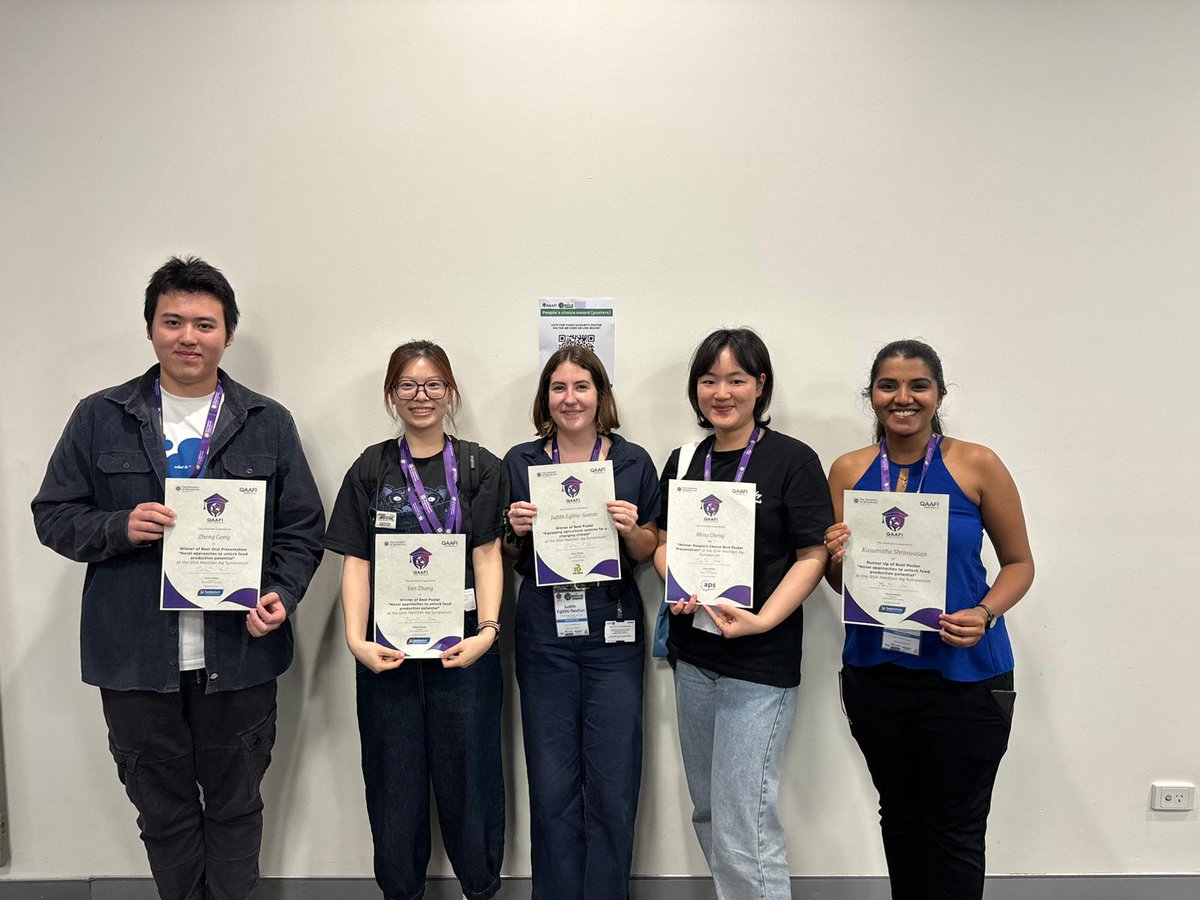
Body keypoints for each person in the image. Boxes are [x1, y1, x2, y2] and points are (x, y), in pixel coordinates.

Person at [31, 256, 326, 900]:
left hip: (240, 653)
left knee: (236, 808)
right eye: (172, 322)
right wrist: (119, 526)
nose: (188, 337)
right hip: (135, 659)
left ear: (227, 334)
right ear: (150, 329)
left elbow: (303, 528)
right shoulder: (99, 416)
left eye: (204, 324)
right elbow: (52, 515)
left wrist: (281, 593)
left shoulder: (267, 421)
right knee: (162, 814)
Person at [823, 339, 1034, 900]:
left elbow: (1019, 564)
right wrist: (836, 558)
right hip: (876, 674)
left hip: (965, 676)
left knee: (955, 828)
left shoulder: (977, 463)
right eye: (888, 385)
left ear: (939, 394)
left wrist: (985, 613)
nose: (903, 397)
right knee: (900, 817)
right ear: (871, 395)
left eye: (918, 385)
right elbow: (842, 584)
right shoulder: (847, 470)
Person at [652, 328, 832, 900]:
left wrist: (764, 619)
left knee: (743, 821)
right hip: (694, 657)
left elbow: (813, 554)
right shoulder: (685, 460)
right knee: (709, 810)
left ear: (760, 385)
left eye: (736, 379)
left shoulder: (793, 460)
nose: (721, 392)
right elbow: (663, 543)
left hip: (759, 662)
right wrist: (675, 582)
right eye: (709, 380)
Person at [323, 339, 506, 900]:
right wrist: (355, 640)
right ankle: (400, 892)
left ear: (450, 392)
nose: (420, 396)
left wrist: (488, 633)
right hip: (388, 656)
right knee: (393, 785)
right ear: (392, 394)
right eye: (407, 385)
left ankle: (480, 888)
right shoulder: (371, 467)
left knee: (472, 782)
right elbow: (356, 561)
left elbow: (488, 554)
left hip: (464, 653)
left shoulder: (480, 466)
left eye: (432, 385)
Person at [503, 346, 659, 900]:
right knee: (551, 779)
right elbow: (503, 548)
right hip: (543, 626)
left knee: (614, 777)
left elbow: (650, 548)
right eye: (559, 387)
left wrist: (632, 529)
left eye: (581, 386)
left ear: (601, 395)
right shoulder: (520, 461)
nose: (570, 398)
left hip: (612, 625)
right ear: (545, 397)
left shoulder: (634, 462)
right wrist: (515, 528)